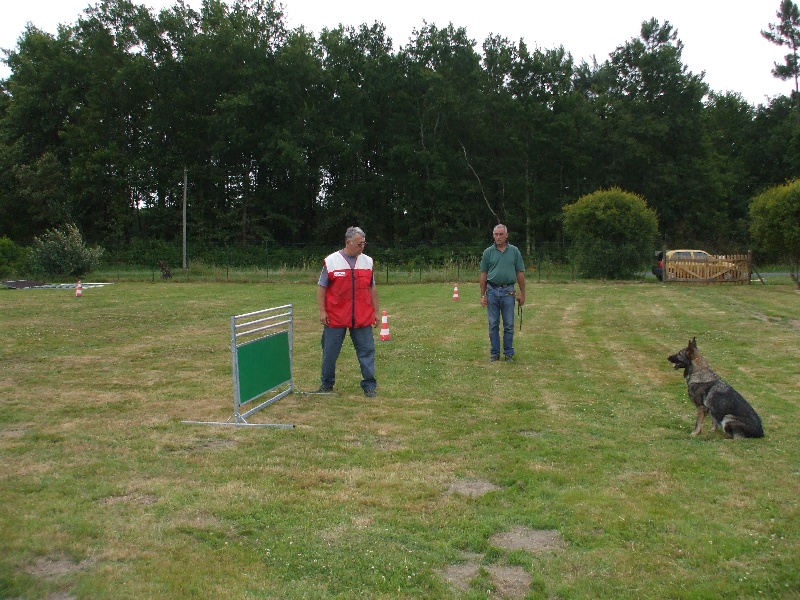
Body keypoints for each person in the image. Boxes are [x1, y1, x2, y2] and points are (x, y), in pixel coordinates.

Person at [316, 226, 379, 397]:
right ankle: (326, 385)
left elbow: (372, 287)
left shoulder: (368, 261)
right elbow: (322, 287)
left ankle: (369, 386)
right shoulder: (331, 261)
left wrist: (376, 312)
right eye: (359, 244)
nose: (362, 247)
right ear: (348, 242)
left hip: (362, 316)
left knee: (366, 351)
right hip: (335, 317)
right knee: (330, 352)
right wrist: (322, 311)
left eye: (364, 244)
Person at [479, 224, 526, 362]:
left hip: (508, 292)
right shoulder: (488, 252)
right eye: (496, 234)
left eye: (501, 234)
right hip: (492, 291)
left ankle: (508, 353)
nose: (498, 237)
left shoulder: (514, 251)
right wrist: (483, 295)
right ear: (493, 235)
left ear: (506, 235)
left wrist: (523, 293)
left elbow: (520, 273)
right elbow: (483, 274)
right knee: (493, 323)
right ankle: (494, 353)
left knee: (509, 324)